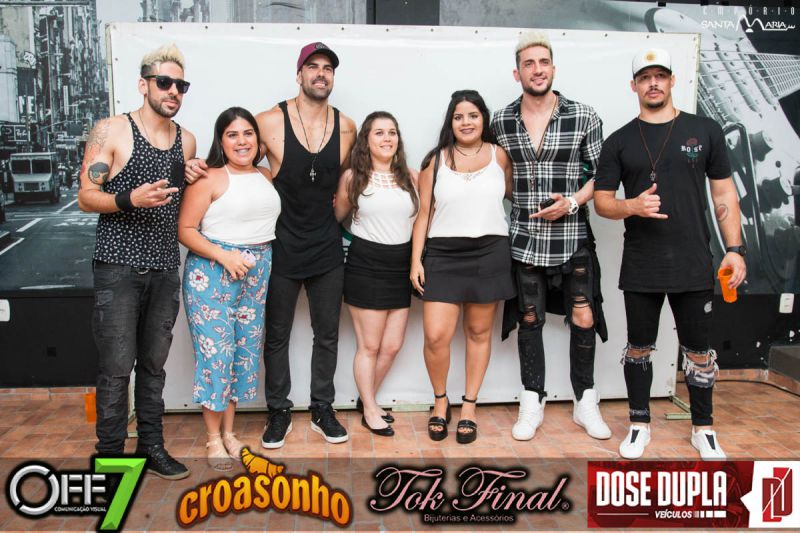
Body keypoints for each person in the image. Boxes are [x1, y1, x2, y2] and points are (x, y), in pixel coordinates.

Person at [186, 42, 357, 448]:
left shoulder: (347, 127)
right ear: (299, 74)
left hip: (326, 245)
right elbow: (237, 159)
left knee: (327, 333)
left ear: (333, 76)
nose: (320, 73)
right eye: (312, 66)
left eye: (327, 68)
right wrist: (193, 166)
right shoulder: (267, 121)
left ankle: (322, 408)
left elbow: (347, 180)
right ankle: (278, 410)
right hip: (279, 247)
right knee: (275, 335)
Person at [594, 48, 746, 460]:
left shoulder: (705, 130)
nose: (653, 83)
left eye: (660, 75)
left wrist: (735, 249)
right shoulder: (619, 140)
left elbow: (724, 194)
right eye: (645, 77)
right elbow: (602, 202)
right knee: (638, 347)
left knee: (698, 351)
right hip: (642, 261)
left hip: (693, 260)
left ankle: (703, 429)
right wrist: (632, 206)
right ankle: (639, 424)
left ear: (672, 80)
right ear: (634, 86)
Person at [77, 44, 197, 479]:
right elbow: (85, 196)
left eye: (180, 85)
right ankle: (110, 458)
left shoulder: (187, 140)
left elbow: (181, 198)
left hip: (164, 268)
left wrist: (193, 174)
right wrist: (128, 198)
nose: (173, 91)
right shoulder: (110, 130)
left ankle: (152, 448)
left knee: (152, 366)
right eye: (164, 82)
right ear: (143, 85)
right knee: (115, 370)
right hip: (118, 268)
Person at [491, 31, 611, 443]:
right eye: (529, 63)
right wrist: (521, 200)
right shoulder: (501, 121)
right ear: (517, 73)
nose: (537, 70)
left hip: (573, 235)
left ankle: (585, 402)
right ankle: (532, 401)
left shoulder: (583, 116)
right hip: (524, 237)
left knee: (584, 315)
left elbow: (601, 176)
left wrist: (572, 202)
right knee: (529, 318)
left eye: (543, 62)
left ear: (554, 68)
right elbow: (497, 176)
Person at [410, 90, 515, 444]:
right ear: (450, 122)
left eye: (473, 115)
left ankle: (469, 406)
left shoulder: (500, 156)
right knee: (435, 336)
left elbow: (517, 196)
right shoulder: (435, 161)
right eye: (459, 117)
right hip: (443, 254)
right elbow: (423, 214)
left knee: (478, 332)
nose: (466, 122)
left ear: (483, 118)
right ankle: (441, 402)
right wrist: (416, 261)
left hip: (490, 251)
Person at [178, 107, 280, 470]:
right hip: (213, 274)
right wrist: (225, 256)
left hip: (256, 273)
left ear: (258, 139)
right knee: (216, 356)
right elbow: (185, 229)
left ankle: (230, 433)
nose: (242, 141)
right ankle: (212, 438)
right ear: (221, 141)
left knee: (242, 353)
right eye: (232, 134)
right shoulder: (208, 177)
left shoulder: (266, 176)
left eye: (248, 133)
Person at [334, 111, 418, 437]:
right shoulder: (353, 177)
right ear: (366, 140)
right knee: (369, 346)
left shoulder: (411, 177)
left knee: (392, 346)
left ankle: (365, 399)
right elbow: (336, 219)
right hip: (365, 264)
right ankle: (370, 408)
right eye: (379, 132)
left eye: (392, 132)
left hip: (400, 265)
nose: (387, 138)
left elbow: (419, 222)